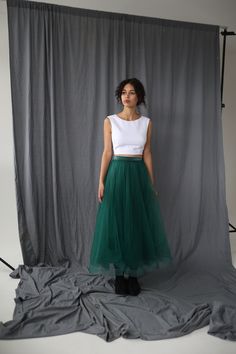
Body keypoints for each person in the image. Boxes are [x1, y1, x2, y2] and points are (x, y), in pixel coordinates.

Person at [88, 78, 173, 296]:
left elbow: (147, 153)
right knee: (117, 224)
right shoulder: (110, 121)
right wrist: (101, 180)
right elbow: (107, 152)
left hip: (138, 176)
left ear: (139, 97)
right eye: (124, 92)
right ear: (120, 97)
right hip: (116, 173)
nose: (127, 96)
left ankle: (133, 275)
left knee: (135, 223)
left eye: (132, 92)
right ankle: (119, 275)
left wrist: (151, 182)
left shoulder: (146, 123)